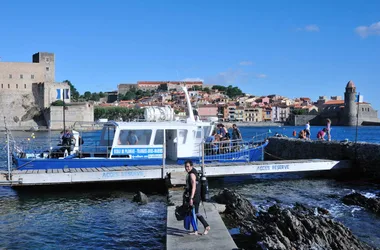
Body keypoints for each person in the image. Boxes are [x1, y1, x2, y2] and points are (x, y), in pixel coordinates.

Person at [184, 160, 210, 235]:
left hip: (195, 197)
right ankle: (195, 230)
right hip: (197, 196)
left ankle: (206, 226)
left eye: (188, 166)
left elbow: (194, 187)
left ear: (191, 166)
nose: (187, 168)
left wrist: (191, 198)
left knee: (195, 213)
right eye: (186, 166)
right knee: (193, 213)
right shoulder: (194, 171)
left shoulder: (192, 174)